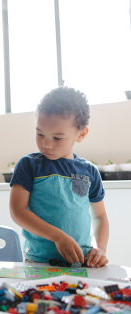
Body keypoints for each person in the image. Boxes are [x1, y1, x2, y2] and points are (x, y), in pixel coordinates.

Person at [9, 87, 109, 267]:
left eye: (57, 138)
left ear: (81, 134)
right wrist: (58, 236)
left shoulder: (89, 171)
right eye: (40, 134)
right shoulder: (28, 165)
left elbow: (100, 216)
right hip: (39, 262)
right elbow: (18, 211)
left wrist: (100, 249)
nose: (45, 144)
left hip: (82, 263)